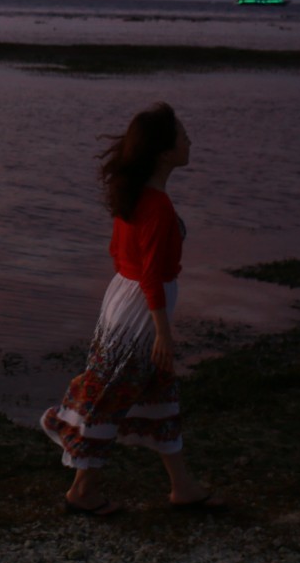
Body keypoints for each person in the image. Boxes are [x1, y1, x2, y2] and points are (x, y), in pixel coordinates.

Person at [39, 102, 225, 514]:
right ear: (164, 151)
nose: (190, 140)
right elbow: (152, 276)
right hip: (141, 309)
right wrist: (162, 331)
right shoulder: (156, 206)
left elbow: (120, 255)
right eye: (182, 135)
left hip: (125, 299)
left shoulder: (140, 195)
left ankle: (182, 485)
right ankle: (82, 489)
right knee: (111, 394)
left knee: (157, 392)